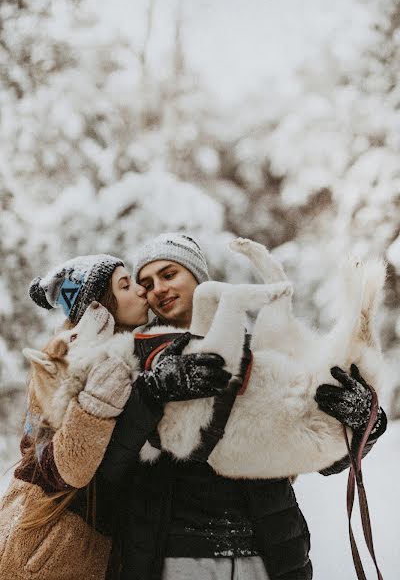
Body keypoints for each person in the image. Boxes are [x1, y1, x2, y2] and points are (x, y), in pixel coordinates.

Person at [99, 233, 387, 580]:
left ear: (198, 278)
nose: (158, 288)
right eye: (147, 283)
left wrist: (361, 425)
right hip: (174, 555)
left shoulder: (255, 356)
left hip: (266, 554)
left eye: (169, 274)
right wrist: (151, 393)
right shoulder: (133, 360)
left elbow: (311, 448)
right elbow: (110, 464)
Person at [0, 254, 230, 580]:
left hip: (100, 549)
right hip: (43, 549)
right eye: (126, 285)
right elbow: (60, 464)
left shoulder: (139, 353)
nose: (141, 291)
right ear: (99, 307)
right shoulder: (67, 362)